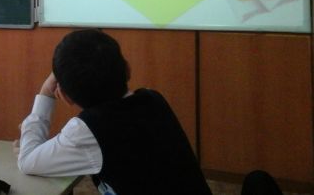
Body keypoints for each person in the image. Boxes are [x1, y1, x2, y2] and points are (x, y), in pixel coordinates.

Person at [16, 29, 212, 195]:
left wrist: (45, 91)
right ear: (128, 69)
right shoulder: (152, 98)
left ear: (66, 97)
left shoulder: (87, 131)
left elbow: (27, 161)